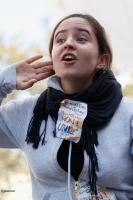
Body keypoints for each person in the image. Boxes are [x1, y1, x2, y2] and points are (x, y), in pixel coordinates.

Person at [0, 13, 133, 200]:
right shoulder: (28, 112)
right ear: (54, 58)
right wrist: (5, 80)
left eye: (81, 38)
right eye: (60, 40)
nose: (68, 43)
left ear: (102, 60)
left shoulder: (128, 114)